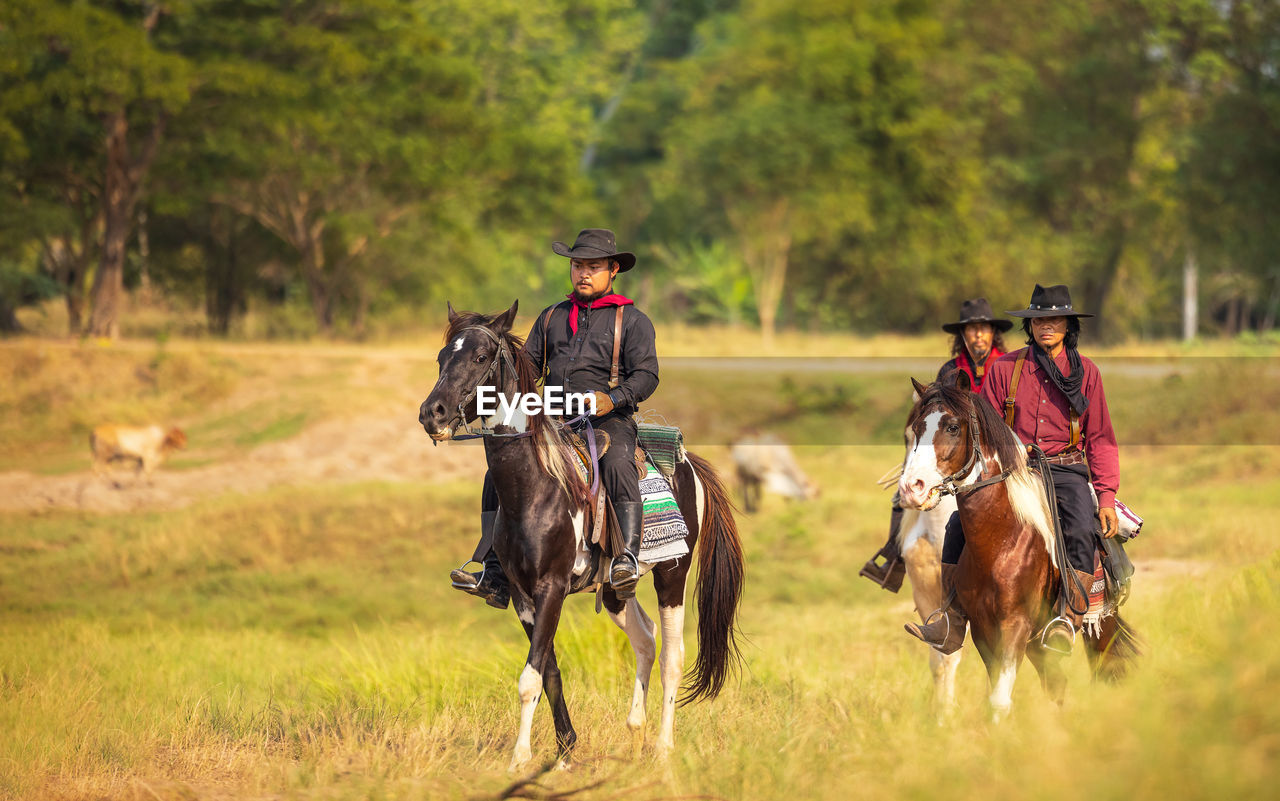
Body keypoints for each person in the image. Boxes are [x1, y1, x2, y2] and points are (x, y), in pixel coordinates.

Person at [904, 284, 1120, 653]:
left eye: (1053, 319)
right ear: (1029, 326)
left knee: (1082, 527)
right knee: (957, 523)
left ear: (1067, 324)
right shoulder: (1006, 368)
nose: (1045, 326)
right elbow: (983, 428)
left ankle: (1069, 618)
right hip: (1015, 469)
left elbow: (1099, 438)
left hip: (1066, 469)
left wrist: (1106, 496)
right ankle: (951, 617)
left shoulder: (1089, 373)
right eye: (1038, 319)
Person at [450, 229, 660, 607]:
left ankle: (626, 557)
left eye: (593, 266)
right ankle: (495, 571)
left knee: (616, 463)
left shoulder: (632, 321)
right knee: (495, 473)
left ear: (613, 269)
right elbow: (527, 368)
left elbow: (646, 376)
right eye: (578, 265)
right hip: (551, 417)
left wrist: (611, 400)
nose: (583, 273)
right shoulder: (551, 317)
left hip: (608, 421)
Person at [859, 298, 1012, 591]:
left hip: (997, 449)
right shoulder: (950, 370)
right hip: (954, 448)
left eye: (983, 328)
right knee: (901, 492)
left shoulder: (1006, 366)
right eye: (971, 330)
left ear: (993, 332)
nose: (978, 335)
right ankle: (893, 558)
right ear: (962, 335)